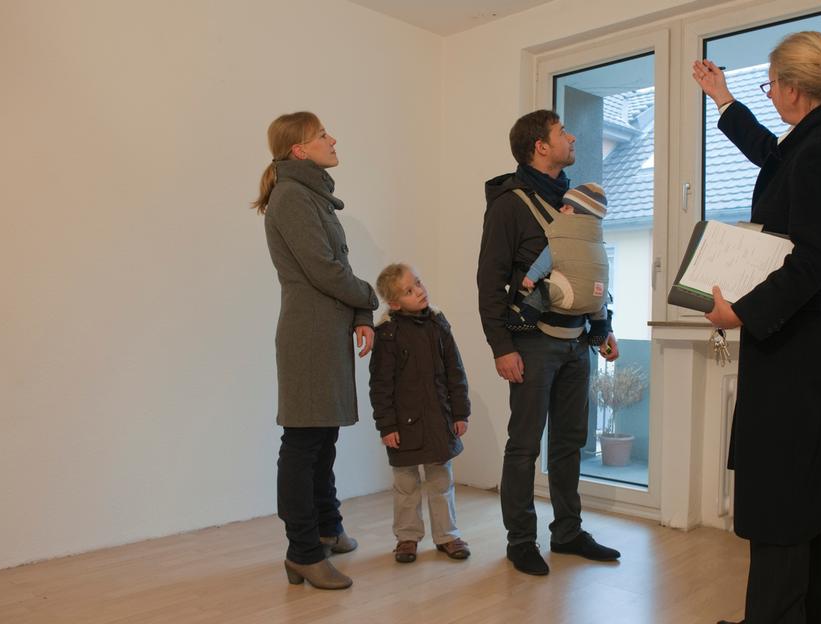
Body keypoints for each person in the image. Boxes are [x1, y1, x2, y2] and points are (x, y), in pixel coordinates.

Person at [693, 31, 821, 624]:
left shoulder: (820, 150)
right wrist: (724, 100)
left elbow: (816, 256)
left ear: (794, 87)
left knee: (783, 501)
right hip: (815, 346)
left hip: (798, 353)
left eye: (770, 86)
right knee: (811, 502)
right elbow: (773, 154)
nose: (770, 97)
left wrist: (742, 310)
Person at [477, 109, 621, 576]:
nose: (572, 136)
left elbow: (590, 268)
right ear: (540, 145)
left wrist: (602, 328)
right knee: (524, 446)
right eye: (563, 132)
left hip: (578, 342)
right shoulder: (509, 204)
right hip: (533, 343)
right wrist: (502, 347)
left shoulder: (576, 203)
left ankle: (567, 533)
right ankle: (521, 540)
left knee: (568, 442)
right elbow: (489, 281)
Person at [252, 111, 379, 590]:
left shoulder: (313, 197)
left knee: (323, 439)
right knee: (304, 443)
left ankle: (327, 527)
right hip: (308, 337)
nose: (333, 138)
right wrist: (370, 297)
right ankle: (302, 552)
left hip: (326, 333)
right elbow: (326, 271)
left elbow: (335, 270)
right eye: (323, 134)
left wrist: (363, 315)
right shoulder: (291, 198)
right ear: (299, 150)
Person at [369, 263, 472, 564]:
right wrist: (386, 425)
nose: (419, 291)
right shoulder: (387, 333)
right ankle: (407, 537)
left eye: (418, 283)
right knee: (406, 484)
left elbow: (456, 370)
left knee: (441, 480)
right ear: (394, 302)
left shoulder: (438, 324)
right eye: (409, 290)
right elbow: (380, 384)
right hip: (403, 423)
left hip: (439, 419)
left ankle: (448, 535)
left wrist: (460, 412)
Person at [509, 182, 611, 347]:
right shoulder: (598, 244)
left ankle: (525, 318)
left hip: (567, 293)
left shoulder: (562, 239)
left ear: (579, 215)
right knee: (599, 302)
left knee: (544, 292)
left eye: (566, 208)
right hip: (596, 298)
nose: (561, 210)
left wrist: (531, 275)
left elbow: (547, 258)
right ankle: (600, 328)